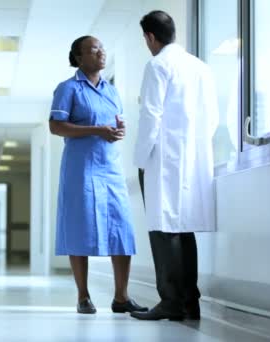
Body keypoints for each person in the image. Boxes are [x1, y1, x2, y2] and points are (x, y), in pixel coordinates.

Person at [49, 35, 147, 315]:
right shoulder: (68, 88)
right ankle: (83, 296)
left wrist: (117, 131)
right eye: (94, 50)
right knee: (80, 228)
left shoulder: (111, 91)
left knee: (122, 228)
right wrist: (96, 130)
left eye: (103, 49)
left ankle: (121, 297)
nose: (101, 53)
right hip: (80, 169)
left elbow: (113, 124)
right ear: (79, 58)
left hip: (110, 168)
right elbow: (56, 126)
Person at [130, 10, 219, 321]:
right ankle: (189, 302)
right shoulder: (200, 67)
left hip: (163, 160)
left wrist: (140, 160)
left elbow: (150, 115)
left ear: (151, 37)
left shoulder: (157, 65)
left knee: (163, 231)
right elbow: (213, 117)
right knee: (183, 230)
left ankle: (170, 301)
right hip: (193, 159)